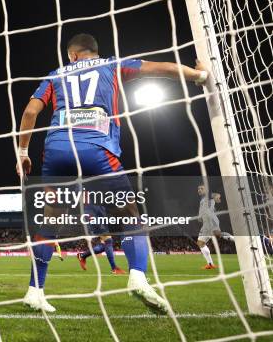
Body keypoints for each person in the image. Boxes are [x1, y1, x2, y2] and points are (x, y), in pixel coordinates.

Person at [16, 33, 209, 313]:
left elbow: (31, 112)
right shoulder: (112, 64)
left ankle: (35, 290)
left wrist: (23, 153)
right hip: (96, 146)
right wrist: (199, 76)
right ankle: (138, 277)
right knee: (131, 216)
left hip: (56, 150)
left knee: (50, 222)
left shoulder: (55, 74)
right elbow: (163, 67)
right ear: (95, 51)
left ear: (71, 55)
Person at [196, 185, 234, 269]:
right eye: (198, 189)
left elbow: (216, 195)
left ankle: (238, 240)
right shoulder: (202, 199)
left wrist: (216, 197)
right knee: (200, 243)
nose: (199, 190)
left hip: (211, 220)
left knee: (218, 234)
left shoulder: (208, 195)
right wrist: (200, 217)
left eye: (201, 188)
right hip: (206, 222)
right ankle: (210, 264)